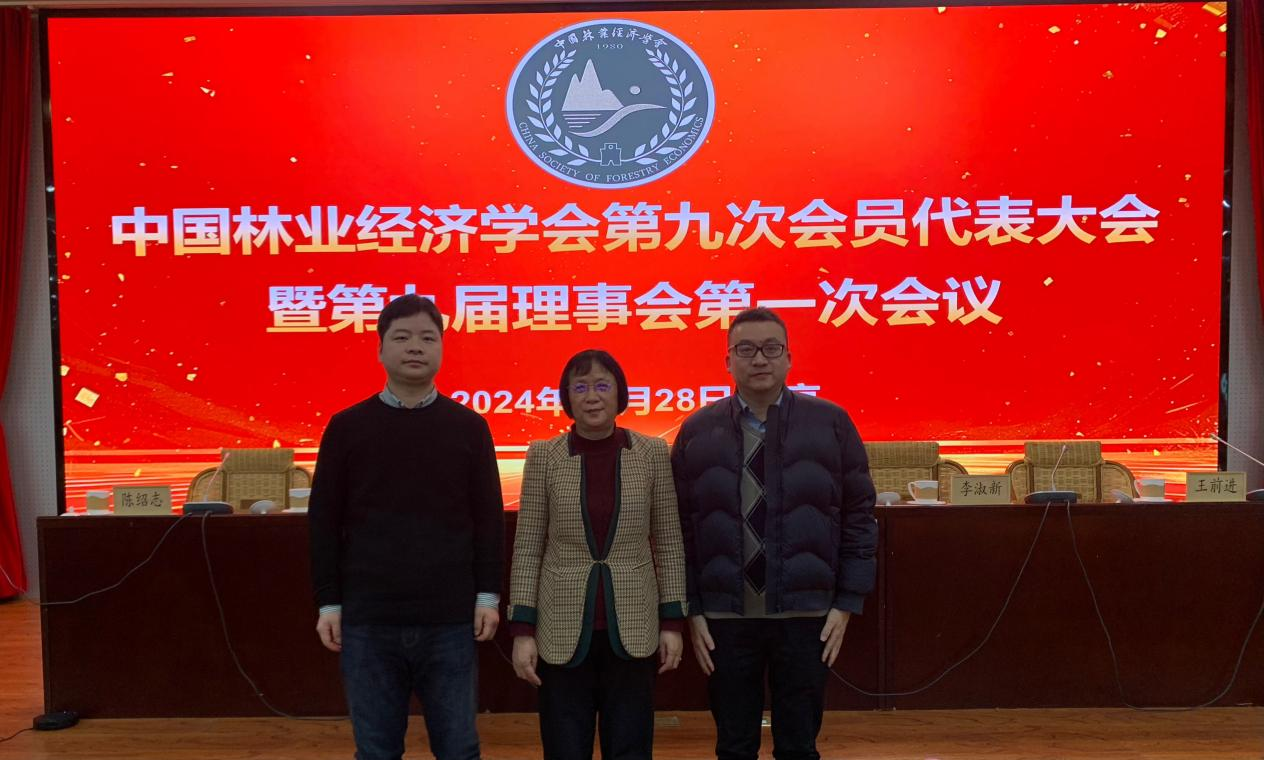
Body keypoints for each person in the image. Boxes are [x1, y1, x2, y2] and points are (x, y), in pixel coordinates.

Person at [670, 307, 878, 760]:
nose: (759, 359)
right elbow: (679, 527)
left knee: (799, 745)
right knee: (734, 745)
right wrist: (692, 608)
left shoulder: (831, 423)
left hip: (807, 614)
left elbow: (859, 515)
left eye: (771, 348)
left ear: (789, 358)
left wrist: (847, 602)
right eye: (746, 349)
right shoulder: (697, 431)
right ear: (728, 361)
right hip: (725, 618)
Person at [308, 294, 504, 760]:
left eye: (427, 338)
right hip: (369, 620)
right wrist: (329, 602)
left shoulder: (469, 427)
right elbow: (324, 522)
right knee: (376, 751)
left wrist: (487, 596)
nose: (415, 346)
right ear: (380, 349)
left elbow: (488, 519)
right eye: (401, 337)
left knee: (459, 749)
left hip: (449, 619)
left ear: (441, 349)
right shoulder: (347, 427)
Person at [508, 349, 688, 760]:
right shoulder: (544, 456)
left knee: (630, 747)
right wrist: (522, 630)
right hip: (560, 628)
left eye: (603, 385)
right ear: (567, 397)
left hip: (635, 625)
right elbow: (528, 547)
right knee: (565, 747)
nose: (592, 396)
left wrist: (672, 621)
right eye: (581, 387)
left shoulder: (651, 453)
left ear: (620, 394)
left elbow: (668, 541)